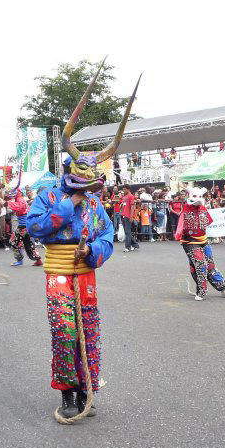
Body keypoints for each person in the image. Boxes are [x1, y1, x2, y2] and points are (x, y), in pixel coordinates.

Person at [26, 65, 137, 423]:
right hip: (58, 271)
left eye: (89, 187)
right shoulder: (48, 196)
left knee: (88, 328)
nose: (86, 191)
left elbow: (107, 236)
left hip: (85, 272)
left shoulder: (95, 205)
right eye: (82, 185)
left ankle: (88, 388)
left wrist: (93, 250)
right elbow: (36, 229)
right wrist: (67, 205)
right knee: (64, 328)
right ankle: (68, 392)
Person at [174, 187, 225, 300]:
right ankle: (201, 291)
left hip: (204, 240)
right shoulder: (186, 209)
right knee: (200, 264)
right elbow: (181, 223)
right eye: (195, 196)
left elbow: (209, 222)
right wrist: (178, 233)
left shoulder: (203, 209)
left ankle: (224, 288)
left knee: (211, 265)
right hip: (190, 241)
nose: (198, 199)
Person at [5, 173, 42, 267]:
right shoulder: (19, 199)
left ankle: (19, 260)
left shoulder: (20, 200)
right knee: (29, 243)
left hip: (24, 226)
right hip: (26, 225)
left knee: (13, 242)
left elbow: (20, 207)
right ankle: (38, 260)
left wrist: (7, 203)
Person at [121, 184, 139, 252]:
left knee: (128, 232)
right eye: (123, 189)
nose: (123, 190)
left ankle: (128, 247)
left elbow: (132, 207)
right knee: (127, 232)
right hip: (123, 215)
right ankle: (135, 244)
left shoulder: (131, 196)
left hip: (128, 216)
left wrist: (131, 216)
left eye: (125, 189)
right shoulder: (124, 197)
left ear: (128, 189)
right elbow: (123, 206)